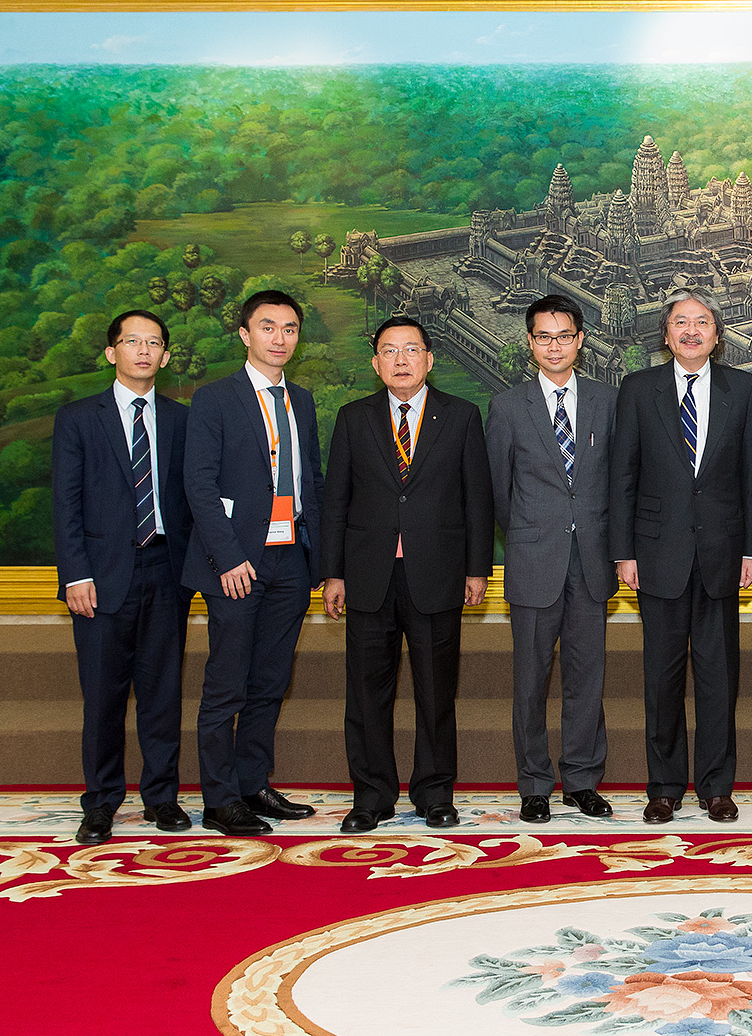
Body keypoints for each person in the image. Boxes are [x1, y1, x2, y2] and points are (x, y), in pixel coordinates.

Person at [322, 315, 492, 833]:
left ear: (429, 359)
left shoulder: (460, 416)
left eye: (411, 350)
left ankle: (435, 792)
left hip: (437, 574)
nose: (401, 360)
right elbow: (336, 502)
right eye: (390, 351)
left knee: (436, 691)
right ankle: (371, 796)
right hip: (369, 576)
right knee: (367, 693)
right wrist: (333, 573)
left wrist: (477, 568)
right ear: (375, 362)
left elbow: (477, 499)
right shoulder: (353, 419)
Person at [610, 287, 752, 825]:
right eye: (680, 322)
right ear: (666, 334)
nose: (691, 331)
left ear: (717, 336)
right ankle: (665, 787)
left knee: (720, 677)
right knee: (663, 678)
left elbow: (750, 478)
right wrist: (622, 552)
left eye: (702, 322)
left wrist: (751, 550)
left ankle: (718, 786)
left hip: (723, 554)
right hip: (656, 556)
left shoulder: (743, 389)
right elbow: (622, 476)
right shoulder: (637, 389)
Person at [182, 290, 323, 837]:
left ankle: (252, 782)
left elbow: (309, 479)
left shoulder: (302, 400)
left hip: (291, 560)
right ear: (245, 334)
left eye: (289, 328)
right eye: (268, 327)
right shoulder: (215, 398)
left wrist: (322, 562)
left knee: (270, 679)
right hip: (237, 563)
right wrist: (228, 557)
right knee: (227, 682)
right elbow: (199, 483)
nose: (280, 338)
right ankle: (218, 799)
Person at [51, 309, 196, 845]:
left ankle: (162, 798)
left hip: (166, 571)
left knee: (163, 692)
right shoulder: (79, 419)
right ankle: (101, 802)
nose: (143, 351)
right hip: (100, 577)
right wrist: (76, 574)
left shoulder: (182, 419)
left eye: (154, 343)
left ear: (163, 354)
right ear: (112, 352)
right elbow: (65, 505)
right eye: (132, 342)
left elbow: (192, 499)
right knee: (105, 695)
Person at [486, 294, 618, 824]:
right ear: (530, 342)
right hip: (533, 561)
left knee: (587, 676)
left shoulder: (609, 401)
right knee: (531, 679)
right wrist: (530, 534)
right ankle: (535, 784)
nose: (555, 346)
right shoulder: (507, 407)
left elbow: (618, 482)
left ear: (581, 341)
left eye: (564, 336)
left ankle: (582, 780)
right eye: (544, 336)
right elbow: (499, 492)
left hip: (591, 562)